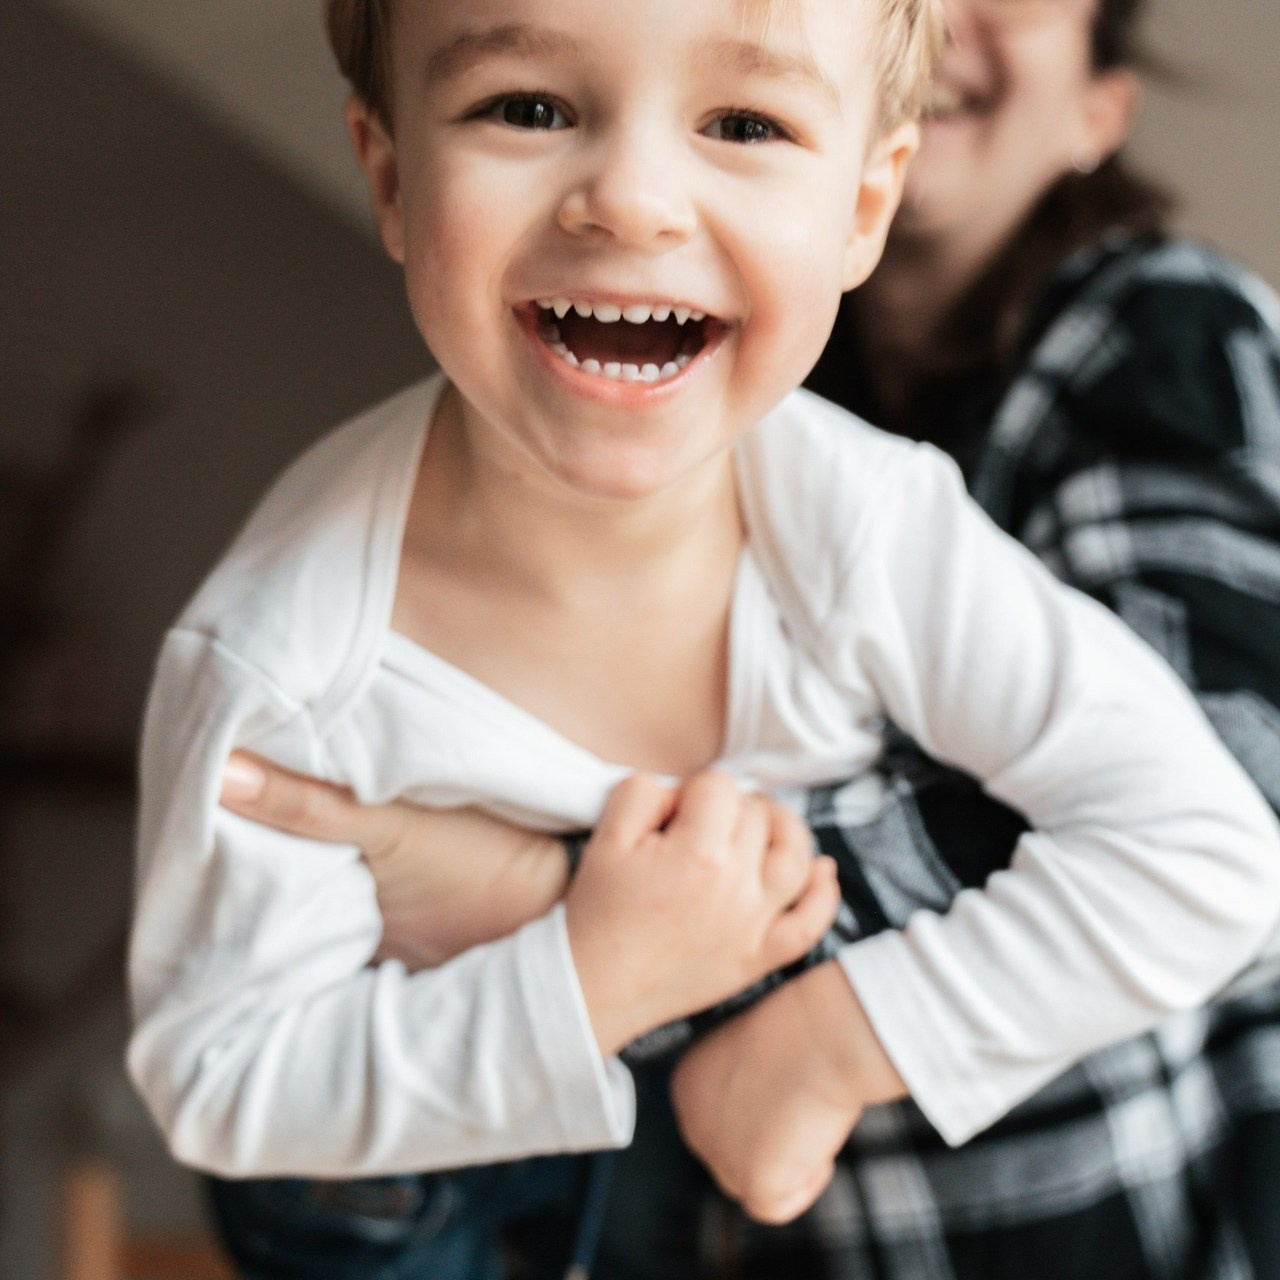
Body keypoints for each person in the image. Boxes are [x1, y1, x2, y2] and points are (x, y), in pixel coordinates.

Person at [130, 0, 1280, 1276]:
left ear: (859, 206)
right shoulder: (284, 666)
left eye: (742, 121)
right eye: (528, 107)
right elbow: (219, 1079)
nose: (629, 199)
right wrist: (585, 976)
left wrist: (825, 1040)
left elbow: (1212, 840)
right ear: (391, 176)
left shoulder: (868, 518)